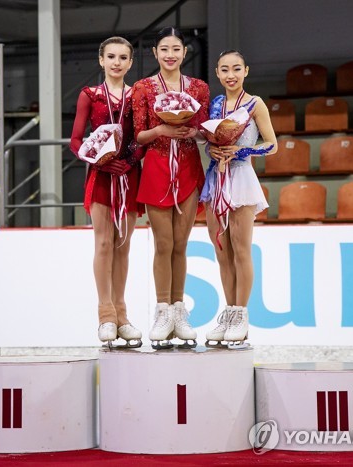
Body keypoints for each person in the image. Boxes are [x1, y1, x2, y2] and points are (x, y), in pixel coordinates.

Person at [131, 27, 210, 348]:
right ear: (155, 53)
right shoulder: (143, 88)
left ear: (184, 52)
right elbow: (138, 135)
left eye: (176, 48)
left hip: (189, 166)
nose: (170, 54)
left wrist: (196, 133)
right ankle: (162, 310)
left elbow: (205, 128)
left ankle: (180, 311)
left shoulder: (199, 88)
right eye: (164, 49)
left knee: (181, 243)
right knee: (163, 244)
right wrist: (162, 128)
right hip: (157, 167)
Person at [70, 36, 144, 348]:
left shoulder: (137, 96)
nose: (116, 62)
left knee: (123, 245)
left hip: (128, 175)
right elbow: (76, 140)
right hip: (101, 176)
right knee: (103, 243)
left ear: (130, 63)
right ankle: (105, 315)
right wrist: (98, 160)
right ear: (101, 60)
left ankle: (122, 314)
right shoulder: (90, 95)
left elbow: (141, 138)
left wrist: (128, 161)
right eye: (111, 56)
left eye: (123, 57)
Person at [200, 50, 277, 348]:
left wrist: (244, 151)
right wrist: (213, 151)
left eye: (236, 69)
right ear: (217, 74)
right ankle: (229, 310)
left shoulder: (255, 103)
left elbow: (272, 144)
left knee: (241, 248)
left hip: (241, 178)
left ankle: (242, 314)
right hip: (216, 178)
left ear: (246, 70)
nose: (230, 74)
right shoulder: (215, 104)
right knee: (221, 250)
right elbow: (209, 139)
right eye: (224, 70)